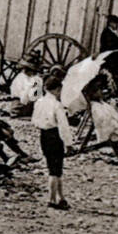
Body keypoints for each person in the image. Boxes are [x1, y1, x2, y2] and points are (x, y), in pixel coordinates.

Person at [33, 73, 73, 210]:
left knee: (54, 168)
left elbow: (34, 121)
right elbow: (64, 127)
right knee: (55, 170)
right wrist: (69, 144)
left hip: (43, 135)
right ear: (57, 89)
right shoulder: (57, 105)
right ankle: (51, 199)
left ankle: (61, 198)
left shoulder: (39, 102)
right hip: (55, 136)